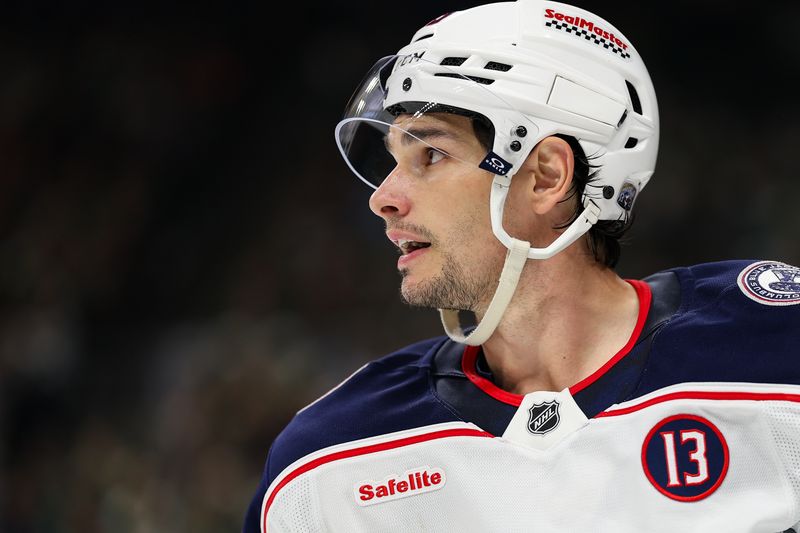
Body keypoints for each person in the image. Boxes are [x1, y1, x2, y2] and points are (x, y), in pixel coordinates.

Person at [243, 0, 800, 531]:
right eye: (393, 161)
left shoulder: (774, 350)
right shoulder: (327, 463)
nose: (383, 198)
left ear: (546, 176)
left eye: (430, 154)